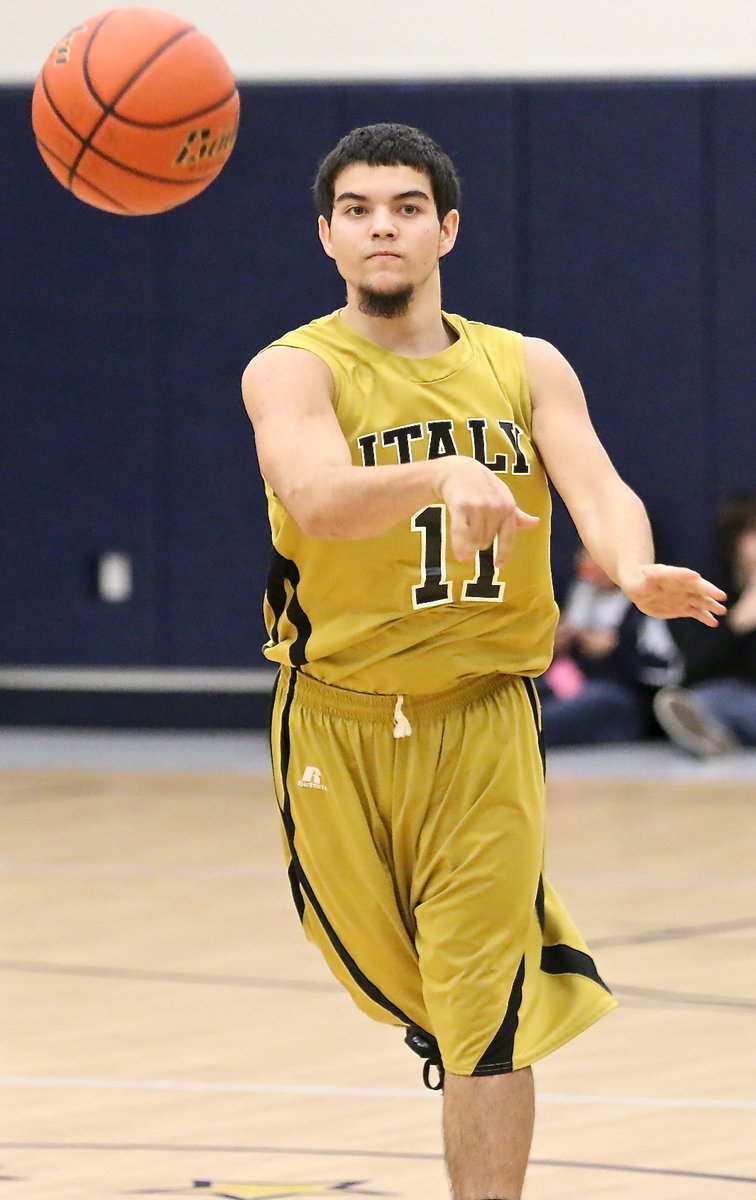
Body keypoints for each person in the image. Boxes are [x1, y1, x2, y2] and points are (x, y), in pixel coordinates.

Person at [240, 123, 726, 1200]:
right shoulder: (293, 369)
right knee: (386, 971)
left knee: (485, 1016)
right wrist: (443, 474)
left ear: (446, 229)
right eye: (358, 209)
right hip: (335, 719)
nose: (383, 227)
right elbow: (317, 497)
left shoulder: (523, 363)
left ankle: (478, 1059)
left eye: (407, 207)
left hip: (484, 718)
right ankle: (454, 1019)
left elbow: (597, 484)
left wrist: (632, 566)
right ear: (327, 236)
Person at [538, 544, 682, 745]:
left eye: (596, 558)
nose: (588, 565)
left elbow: (667, 670)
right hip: (576, 681)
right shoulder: (582, 592)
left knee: (554, 717)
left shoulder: (645, 603)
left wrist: (617, 648)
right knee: (528, 694)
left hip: (624, 695)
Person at [654, 493, 756, 757]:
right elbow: (694, 667)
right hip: (728, 694)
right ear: (735, 541)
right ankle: (714, 736)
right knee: (704, 700)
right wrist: (738, 622)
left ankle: (718, 735)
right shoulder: (710, 592)